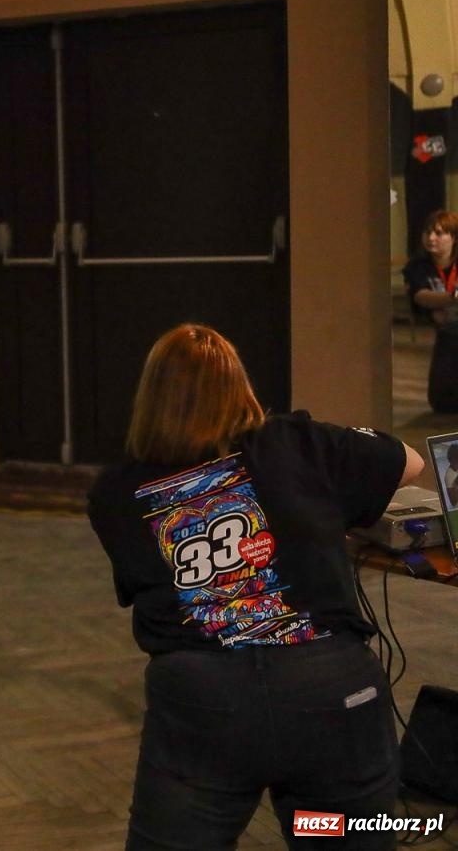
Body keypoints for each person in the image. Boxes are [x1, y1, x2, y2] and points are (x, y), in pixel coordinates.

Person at [87, 324, 423, 850]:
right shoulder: (300, 442)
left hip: (203, 703)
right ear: (239, 387)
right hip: (330, 692)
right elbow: (414, 461)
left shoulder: (113, 492)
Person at [402, 209, 458, 413]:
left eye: (439, 233)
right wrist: (453, 298)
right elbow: (421, 297)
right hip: (444, 327)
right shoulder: (417, 266)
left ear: (454, 237)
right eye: (427, 232)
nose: (431, 238)